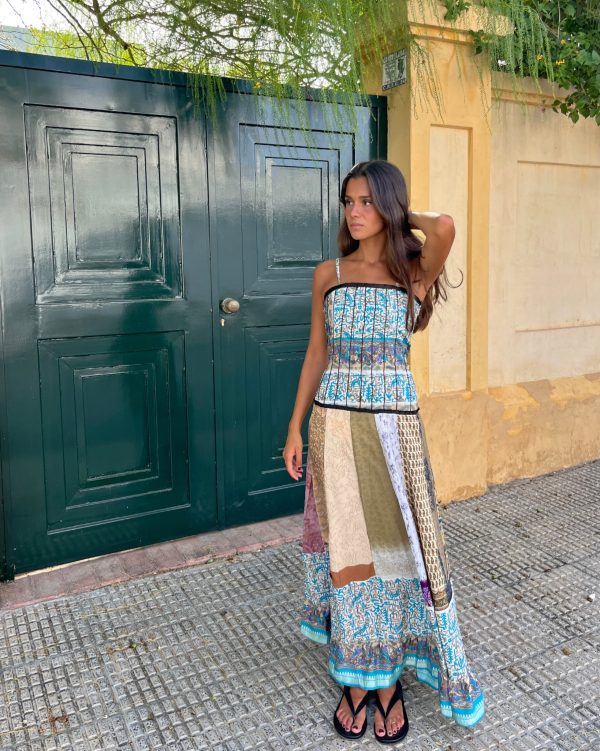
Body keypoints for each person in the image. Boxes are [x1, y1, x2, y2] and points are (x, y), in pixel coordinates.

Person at [283, 160, 484, 743]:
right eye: (349, 201)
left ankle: (390, 676)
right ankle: (356, 676)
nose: (354, 212)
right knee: (350, 555)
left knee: (404, 555)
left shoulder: (411, 273)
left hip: (397, 434)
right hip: (335, 427)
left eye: (367, 201)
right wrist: (295, 427)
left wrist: (399, 214)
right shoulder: (329, 274)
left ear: (389, 207)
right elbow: (316, 353)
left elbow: (443, 227)